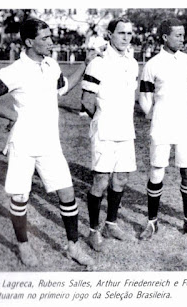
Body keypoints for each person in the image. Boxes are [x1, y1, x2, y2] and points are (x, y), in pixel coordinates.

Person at [0, 17, 98, 267]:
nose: (51, 42)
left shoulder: (51, 65)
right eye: (45, 38)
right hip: (23, 144)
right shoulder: (13, 71)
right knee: (20, 197)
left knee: (68, 194)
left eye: (50, 37)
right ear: (30, 41)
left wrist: (85, 65)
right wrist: (13, 115)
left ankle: (72, 246)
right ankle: (23, 246)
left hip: (50, 143)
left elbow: (63, 88)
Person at [138, 18, 187, 240]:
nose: (182, 39)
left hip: (185, 123)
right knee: (157, 171)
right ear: (165, 37)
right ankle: (152, 222)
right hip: (162, 124)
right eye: (178, 35)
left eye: (183, 35)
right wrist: (155, 116)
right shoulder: (152, 64)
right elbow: (145, 98)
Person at [81, 17, 138, 253]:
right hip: (104, 130)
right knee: (101, 181)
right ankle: (94, 230)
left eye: (129, 34)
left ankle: (110, 224)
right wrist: (102, 118)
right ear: (110, 35)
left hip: (126, 131)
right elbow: (86, 100)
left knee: (121, 179)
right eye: (121, 33)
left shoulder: (133, 63)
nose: (126, 37)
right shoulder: (98, 63)